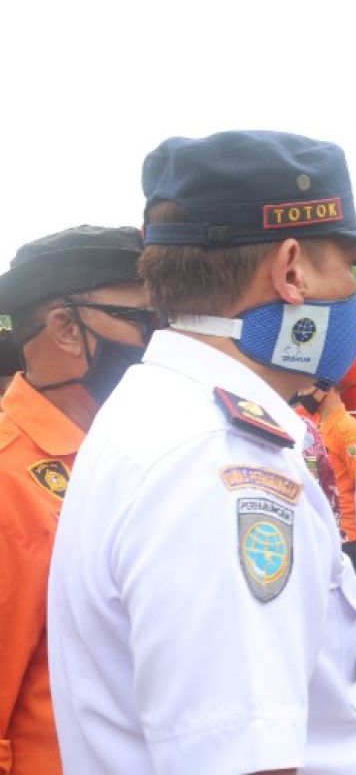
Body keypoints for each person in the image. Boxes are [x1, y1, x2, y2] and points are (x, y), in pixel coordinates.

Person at [46, 131, 356, 774]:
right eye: (349, 268)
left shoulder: (170, 415)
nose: (355, 295)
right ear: (292, 270)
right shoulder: (217, 466)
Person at [0, 226, 150, 774]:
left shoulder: (128, 453)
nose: (159, 340)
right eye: (141, 320)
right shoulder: (9, 479)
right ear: (66, 329)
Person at [293, 379, 356, 571]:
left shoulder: (347, 429)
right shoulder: (320, 426)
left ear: (325, 389)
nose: (302, 395)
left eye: (305, 388)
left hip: (350, 535)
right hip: (329, 530)